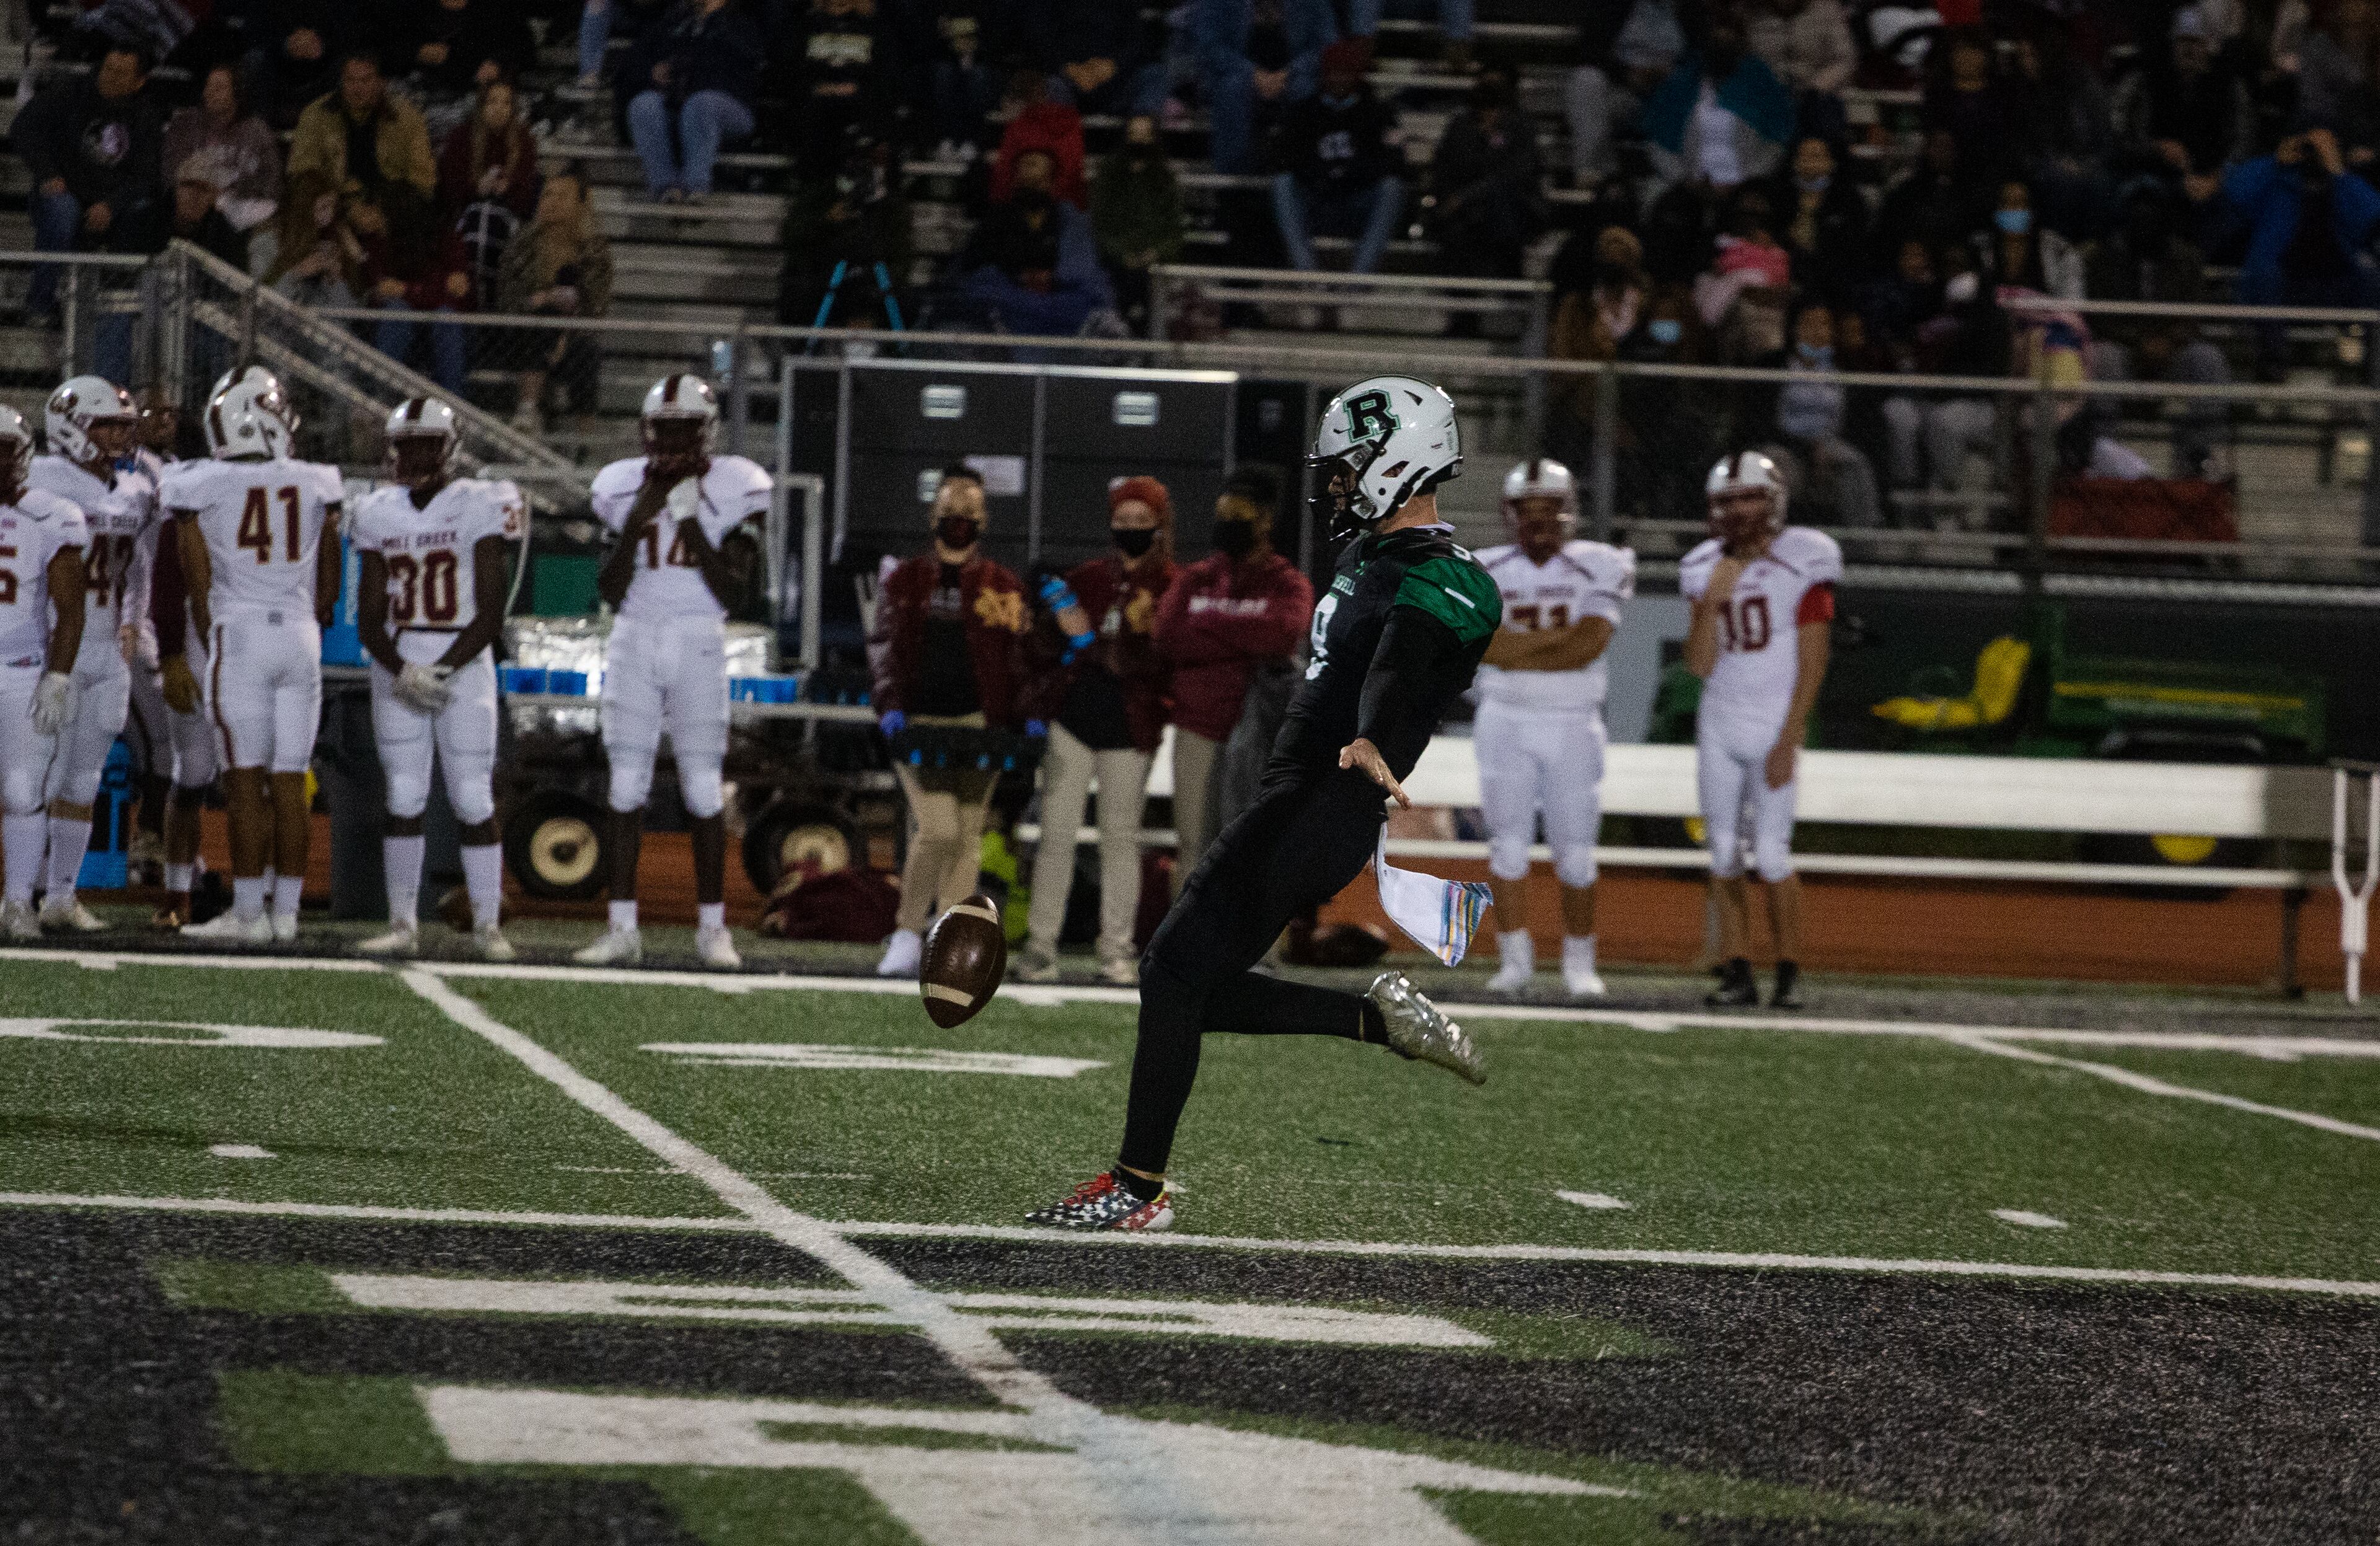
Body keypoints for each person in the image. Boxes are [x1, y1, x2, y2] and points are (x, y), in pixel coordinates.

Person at [1028, 376, 1498, 1232]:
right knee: (1188, 983)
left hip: (1326, 802)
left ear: (1401, 460)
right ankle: (1379, 1019)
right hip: (1301, 798)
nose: (1336, 486)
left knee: (1171, 969)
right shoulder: (1374, 559)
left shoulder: (1449, 578)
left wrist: (1376, 734)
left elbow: (1404, 656)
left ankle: (1138, 1186)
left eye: (1350, 468)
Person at [575, 375, 770, 969]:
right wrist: (640, 518)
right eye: (663, 429)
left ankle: (713, 929)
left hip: (698, 637)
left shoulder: (739, 485)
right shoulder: (620, 486)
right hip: (633, 634)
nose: (672, 441)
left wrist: (688, 523)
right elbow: (607, 589)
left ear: (707, 432)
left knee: (703, 787)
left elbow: (735, 592)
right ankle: (622, 926)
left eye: (684, 429)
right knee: (625, 786)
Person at [164, 371, 345, 945]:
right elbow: (330, 579)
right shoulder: (318, 480)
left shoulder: (198, 481)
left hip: (240, 635)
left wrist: (212, 630)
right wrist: (308, 618)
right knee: (290, 782)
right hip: (299, 637)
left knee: (244, 784)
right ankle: (285, 916)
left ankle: (247, 914)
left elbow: (196, 581)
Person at [350, 398, 522, 962]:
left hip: (464, 660)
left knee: (473, 796)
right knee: (404, 793)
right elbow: (369, 614)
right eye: (406, 444)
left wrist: (440, 668)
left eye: (427, 443)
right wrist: (402, 669)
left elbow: (491, 611)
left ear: (449, 448)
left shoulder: (477, 502)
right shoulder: (377, 511)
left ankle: (489, 925)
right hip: (400, 660)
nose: (415, 454)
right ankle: (403, 922)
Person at [1681, 451, 1839, 1011]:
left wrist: (1790, 736)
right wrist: (1710, 603)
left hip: (1774, 720)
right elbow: (1699, 665)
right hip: (1719, 720)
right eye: (1728, 500)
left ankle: (1790, 972)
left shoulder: (1806, 556)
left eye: (1749, 497)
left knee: (1772, 854)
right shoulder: (1703, 564)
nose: (1739, 510)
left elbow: (1814, 658)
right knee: (1723, 851)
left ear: (1773, 501)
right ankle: (1738, 971)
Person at [1474, 459, 1632, 1001]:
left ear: (1571, 514)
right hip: (1503, 720)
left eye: (1550, 511)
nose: (1538, 524)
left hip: (1572, 723)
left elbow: (1588, 646)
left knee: (1577, 851)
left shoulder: (1601, 563)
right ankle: (1515, 962)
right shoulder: (1482, 566)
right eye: (1527, 512)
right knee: (1507, 848)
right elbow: (1482, 646)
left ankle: (1579, 963)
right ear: (1508, 515)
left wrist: (1514, 648)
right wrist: (1549, 646)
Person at [867, 468, 1032, 979]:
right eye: (950, 510)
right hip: (918, 719)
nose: (959, 519)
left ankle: (948, 943)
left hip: (978, 719)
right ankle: (906, 931)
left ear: (983, 519)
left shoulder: (1003, 585)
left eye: (970, 511)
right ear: (933, 515)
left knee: (967, 834)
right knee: (937, 828)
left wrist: (1022, 718)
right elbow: (883, 649)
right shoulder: (906, 579)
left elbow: (1018, 656)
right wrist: (890, 703)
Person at [1017, 478, 1176, 986]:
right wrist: (1053, 618)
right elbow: (1041, 646)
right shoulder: (1088, 576)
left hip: (1130, 729)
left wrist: (1147, 633)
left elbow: (1170, 662)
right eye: (1122, 519)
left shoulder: (1174, 584)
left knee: (1120, 842)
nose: (1130, 528)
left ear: (1160, 524)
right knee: (1055, 838)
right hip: (1074, 721)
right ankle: (1041, 949)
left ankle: (1117, 951)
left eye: (1141, 520)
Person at [25, 378, 155, 933]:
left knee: (83, 780)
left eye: (124, 427)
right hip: (54, 644)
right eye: (107, 426)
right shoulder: (43, 481)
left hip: (106, 647)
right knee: (29, 779)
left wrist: (133, 621)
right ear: (71, 427)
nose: (119, 437)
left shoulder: (134, 489)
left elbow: (141, 565)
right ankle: (17, 894)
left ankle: (60, 895)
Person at [1155, 467, 1310, 891]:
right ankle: (1186, 954)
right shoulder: (1196, 578)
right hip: (1198, 729)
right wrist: (1244, 634)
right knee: (1193, 846)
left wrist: (1208, 627)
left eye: (1238, 514)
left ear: (1264, 521)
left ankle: (1255, 955)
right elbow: (1167, 636)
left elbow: (1282, 633)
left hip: (1260, 735)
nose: (1227, 523)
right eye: (1222, 513)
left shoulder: (1287, 582)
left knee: (1254, 845)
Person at [0, 407, 89, 941]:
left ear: (23, 455)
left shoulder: (54, 514)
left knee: (21, 787)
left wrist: (58, 676)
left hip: (21, 667)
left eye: (2, 449)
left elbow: (71, 610)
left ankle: (17, 903)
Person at [123, 388, 212, 922]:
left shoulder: (179, 468)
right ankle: (150, 840)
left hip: (161, 610)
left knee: (176, 746)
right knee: (163, 738)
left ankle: (160, 845)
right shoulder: (135, 471)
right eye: (155, 413)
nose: (166, 422)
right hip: (133, 614)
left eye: (174, 414)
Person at [12, 44, 165, 325]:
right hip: (61, 191)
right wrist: (47, 173)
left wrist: (112, 205)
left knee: (144, 212)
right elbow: (24, 127)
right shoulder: (71, 92)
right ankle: (40, 304)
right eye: (108, 69)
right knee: (63, 211)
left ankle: (115, 310)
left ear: (139, 81)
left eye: (121, 74)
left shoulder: (146, 115)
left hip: (112, 202)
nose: (110, 77)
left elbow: (147, 175)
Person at [1272, 39, 1404, 276]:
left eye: (1346, 73)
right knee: (1283, 184)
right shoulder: (1303, 111)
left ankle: (1358, 279)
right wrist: (1322, 175)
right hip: (1317, 201)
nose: (1339, 79)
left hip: (1356, 202)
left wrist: (1351, 174)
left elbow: (1394, 160)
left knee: (1391, 188)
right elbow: (1285, 155)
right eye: (1334, 73)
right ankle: (1309, 277)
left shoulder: (1379, 112)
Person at [499, 168, 614, 436]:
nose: (551, 202)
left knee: (587, 352)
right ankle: (527, 412)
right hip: (522, 336)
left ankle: (584, 439)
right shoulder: (522, 245)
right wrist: (539, 300)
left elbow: (596, 306)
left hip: (572, 339)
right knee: (544, 316)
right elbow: (506, 300)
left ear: (580, 206)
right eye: (548, 195)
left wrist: (564, 335)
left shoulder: (594, 251)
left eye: (563, 196)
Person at [1639, 7, 1796, 198]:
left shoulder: (1760, 80)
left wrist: (1745, 182)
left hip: (1746, 187)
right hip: (1687, 187)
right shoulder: (1682, 81)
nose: (1722, 39)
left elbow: (1777, 143)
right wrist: (1684, 180)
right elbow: (1658, 143)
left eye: (1729, 33)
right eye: (1716, 33)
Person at [621, 0, 764, 203]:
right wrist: (653, 71)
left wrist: (691, 66)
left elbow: (744, 64)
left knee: (701, 104)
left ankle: (695, 185)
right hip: (680, 104)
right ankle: (666, 187)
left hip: (731, 108)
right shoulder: (678, 21)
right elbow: (637, 56)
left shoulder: (739, 23)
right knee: (643, 105)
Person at [1426, 66, 1545, 285]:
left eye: (1496, 104)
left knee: (1498, 202)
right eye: (1485, 104)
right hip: (1464, 215)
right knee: (1459, 227)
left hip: (1509, 213)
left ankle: (1508, 281)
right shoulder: (1461, 128)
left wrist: (1466, 197)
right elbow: (1444, 169)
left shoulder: (1520, 128)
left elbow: (1516, 176)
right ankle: (1463, 300)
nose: (1490, 113)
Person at [1766, 304, 1880, 529]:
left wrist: (1823, 447)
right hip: (1785, 444)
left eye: (1824, 324)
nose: (1818, 330)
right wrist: (1806, 448)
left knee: (1854, 463)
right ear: (1795, 330)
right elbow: (1761, 419)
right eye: (1810, 324)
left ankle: (1863, 540)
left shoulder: (1844, 368)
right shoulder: (1774, 365)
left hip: (1830, 444)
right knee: (1777, 466)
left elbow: (1853, 421)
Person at [1194, 0, 1338, 177]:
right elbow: (1209, 45)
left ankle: (1306, 171)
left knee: (1305, 91)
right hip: (1237, 72)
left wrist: (1291, 72)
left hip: (1295, 74)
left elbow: (1327, 44)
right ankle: (1232, 176)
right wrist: (1252, 73)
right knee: (1233, 90)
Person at [287, 52, 438, 206]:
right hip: (333, 205)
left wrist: (385, 208)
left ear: (381, 83)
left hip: (390, 206)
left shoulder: (407, 118)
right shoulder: (316, 115)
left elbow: (422, 179)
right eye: (350, 80)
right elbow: (302, 170)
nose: (358, 88)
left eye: (366, 80)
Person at [1567, 0, 1683, 190]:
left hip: (1672, 96)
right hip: (1626, 94)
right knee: (1586, 80)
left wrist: (1669, 75)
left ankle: (1680, 185)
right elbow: (1587, 50)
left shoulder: (1689, 9)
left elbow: (1703, 56)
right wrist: (1628, 74)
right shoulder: (1614, 5)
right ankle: (1594, 174)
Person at [1089, 113, 1185, 331]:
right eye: (1134, 135)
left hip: (1155, 266)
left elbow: (1175, 231)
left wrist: (1155, 253)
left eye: (1145, 135)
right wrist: (1123, 255)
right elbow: (1099, 225)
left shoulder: (1164, 178)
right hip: (1114, 265)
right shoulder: (1109, 174)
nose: (1139, 141)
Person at [162, 62, 282, 235]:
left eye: (219, 88)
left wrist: (224, 199)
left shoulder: (257, 132)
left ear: (237, 94)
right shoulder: (185, 124)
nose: (210, 93)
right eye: (208, 86)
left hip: (238, 211)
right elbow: (171, 171)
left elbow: (271, 185)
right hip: (189, 205)